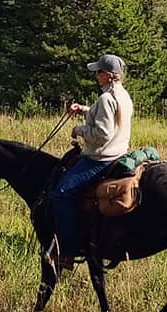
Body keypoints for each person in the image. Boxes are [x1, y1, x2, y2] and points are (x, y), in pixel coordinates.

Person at [49, 53, 134, 263]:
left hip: (100, 158)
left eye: (99, 72)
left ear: (109, 76)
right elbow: (111, 118)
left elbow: (103, 134)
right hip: (118, 152)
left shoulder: (106, 98)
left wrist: (79, 129)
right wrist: (85, 110)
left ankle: (67, 251)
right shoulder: (123, 95)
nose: (96, 75)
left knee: (60, 194)